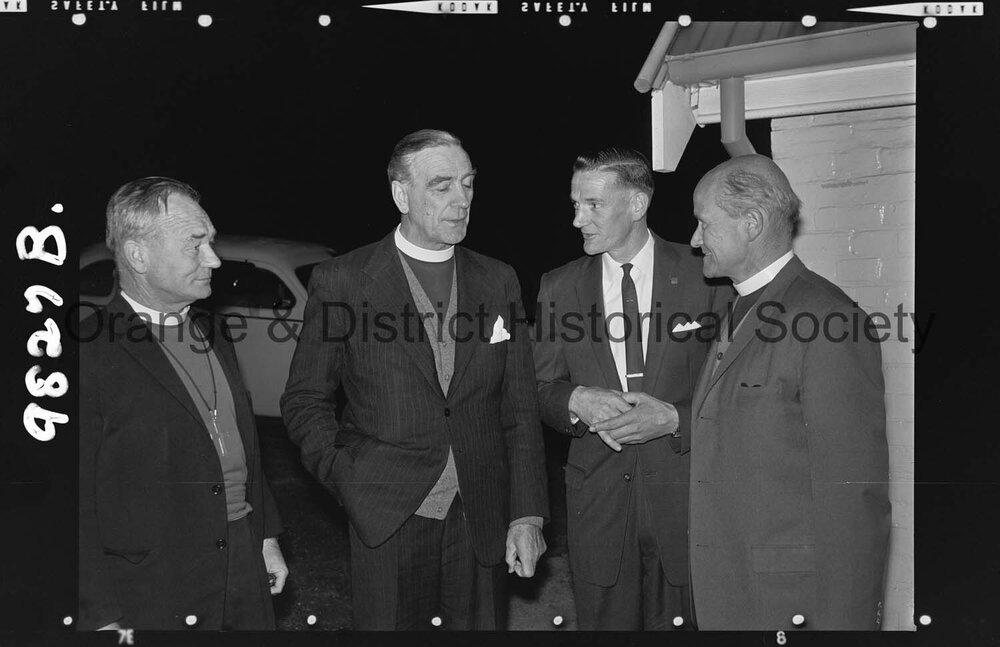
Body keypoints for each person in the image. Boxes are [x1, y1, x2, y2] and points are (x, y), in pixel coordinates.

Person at [281, 129, 549, 630]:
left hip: (481, 518)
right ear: (400, 194)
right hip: (386, 517)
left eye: (468, 185)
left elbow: (518, 408)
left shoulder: (498, 279)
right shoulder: (343, 280)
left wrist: (527, 514)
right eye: (442, 186)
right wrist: (347, 477)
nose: (461, 201)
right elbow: (304, 399)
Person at [687, 154, 891, 630]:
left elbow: (852, 499)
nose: (695, 241)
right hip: (729, 593)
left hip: (788, 605)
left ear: (752, 223)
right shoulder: (737, 308)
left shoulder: (829, 319)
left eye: (703, 223)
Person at [78, 177, 287, 631]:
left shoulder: (214, 331)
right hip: (154, 585)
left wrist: (267, 536)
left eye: (210, 242)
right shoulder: (89, 351)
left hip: (243, 560)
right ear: (138, 255)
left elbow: (244, 442)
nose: (213, 259)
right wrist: (97, 612)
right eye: (196, 245)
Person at [533, 148, 717, 630]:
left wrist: (676, 416)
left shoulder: (706, 276)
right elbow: (538, 386)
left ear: (637, 204)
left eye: (592, 204)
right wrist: (574, 400)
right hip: (599, 508)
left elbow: (733, 389)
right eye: (575, 204)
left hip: (686, 504)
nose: (577, 219)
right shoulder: (559, 287)